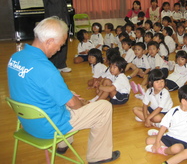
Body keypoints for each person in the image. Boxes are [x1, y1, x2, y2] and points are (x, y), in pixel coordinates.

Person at [7, 17, 119, 164]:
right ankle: (98, 157)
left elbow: (34, 88)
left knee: (65, 97)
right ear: (49, 41)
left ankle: (63, 144)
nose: (59, 49)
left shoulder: (16, 58)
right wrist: (82, 104)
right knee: (104, 107)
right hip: (48, 128)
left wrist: (66, 94)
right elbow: (73, 105)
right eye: (60, 45)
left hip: (27, 123)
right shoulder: (46, 68)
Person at [145, 84, 187, 156]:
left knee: (176, 148)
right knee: (148, 140)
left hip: (184, 142)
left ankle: (163, 150)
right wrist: (157, 142)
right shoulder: (174, 111)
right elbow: (164, 126)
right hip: (170, 137)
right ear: (184, 101)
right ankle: (161, 137)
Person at [42, 0, 71, 73]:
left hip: (62, 16)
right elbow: (53, 0)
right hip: (54, 17)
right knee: (54, 41)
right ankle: (54, 66)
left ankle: (62, 64)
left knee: (63, 40)